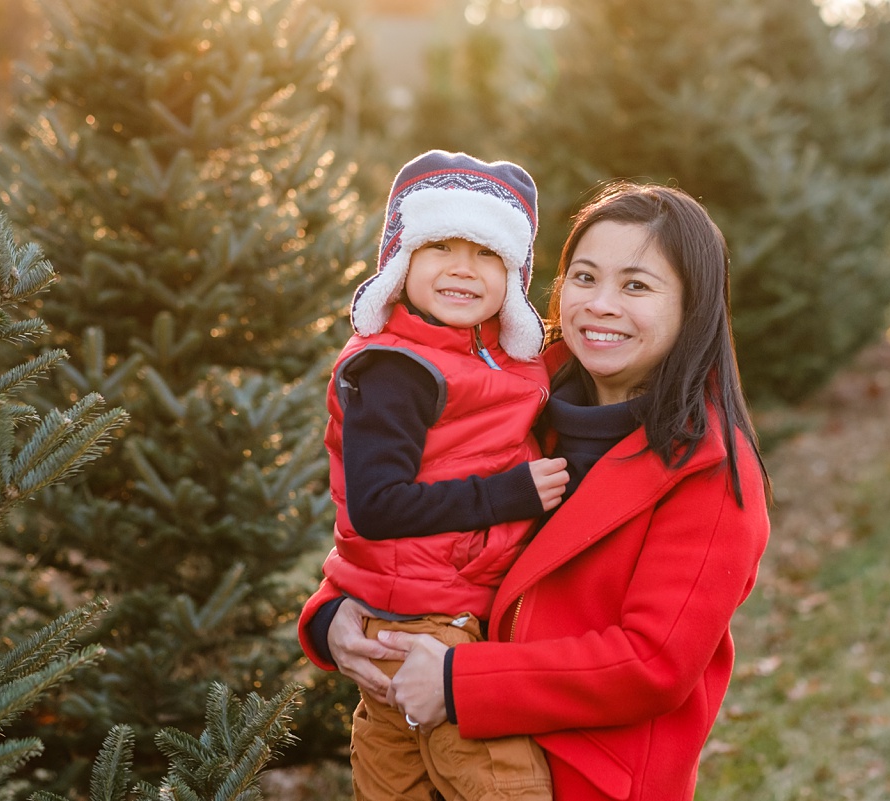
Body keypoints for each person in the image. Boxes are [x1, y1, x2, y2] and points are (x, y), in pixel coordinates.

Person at [302, 180, 772, 801]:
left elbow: (651, 664)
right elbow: (409, 516)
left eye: (636, 286)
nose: (600, 304)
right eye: (584, 277)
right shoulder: (515, 393)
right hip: (437, 744)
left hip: (580, 778)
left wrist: (459, 681)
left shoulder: (710, 472)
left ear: (693, 307)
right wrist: (332, 614)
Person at [301, 150, 569, 801]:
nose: (462, 267)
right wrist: (510, 494)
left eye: (485, 253)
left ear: (512, 274)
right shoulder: (396, 368)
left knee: (400, 784)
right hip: (424, 622)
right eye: (441, 245)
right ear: (402, 260)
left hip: (421, 610)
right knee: (501, 783)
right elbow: (374, 506)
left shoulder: (487, 358)